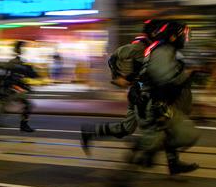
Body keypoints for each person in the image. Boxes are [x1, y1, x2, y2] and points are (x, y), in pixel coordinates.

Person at [81, 20, 198, 176]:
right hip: (140, 94)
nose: (160, 33)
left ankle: (172, 163)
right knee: (133, 129)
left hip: (146, 93)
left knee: (159, 127)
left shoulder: (160, 48)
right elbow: (114, 57)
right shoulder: (139, 47)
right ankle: (94, 134)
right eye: (158, 31)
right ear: (152, 33)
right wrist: (119, 77)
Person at [112, 20, 200, 187]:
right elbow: (165, 82)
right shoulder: (161, 51)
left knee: (180, 134)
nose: (186, 39)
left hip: (157, 104)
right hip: (153, 105)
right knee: (159, 139)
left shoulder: (165, 50)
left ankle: (154, 157)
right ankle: (123, 178)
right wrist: (185, 76)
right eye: (184, 36)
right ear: (174, 36)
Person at [0, 41, 38, 132]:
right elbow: (28, 74)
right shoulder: (15, 63)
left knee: (25, 105)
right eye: (21, 48)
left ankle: (23, 125)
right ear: (17, 50)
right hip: (12, 89)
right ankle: (23, 125)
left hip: (14, 88)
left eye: (22, 48)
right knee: (27, 105)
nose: (22, 50)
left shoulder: (19, 62)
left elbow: (30, 74)